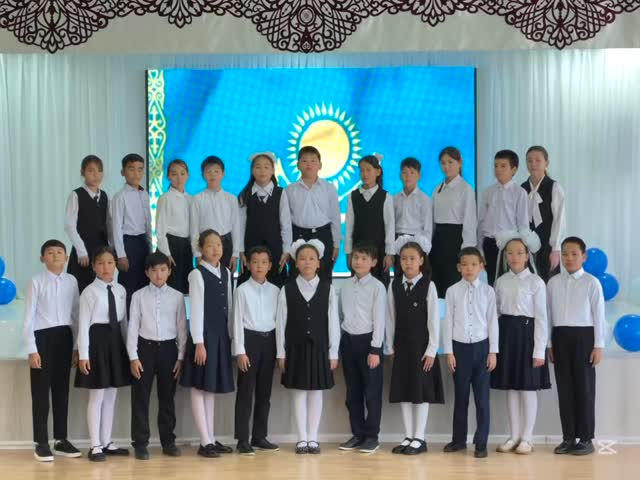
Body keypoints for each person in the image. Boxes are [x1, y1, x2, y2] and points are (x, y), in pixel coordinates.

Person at [276, 239, 340, 454]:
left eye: (312, 258)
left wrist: (333, 352)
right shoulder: (287, 289)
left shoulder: (328, 289)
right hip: (295, 347)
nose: (307, 262)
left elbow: (333, 322)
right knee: (298, 393)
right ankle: (301, 438)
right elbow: (281, 323)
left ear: (319, 263)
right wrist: (281, 352)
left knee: (316, 392)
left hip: (320, 347)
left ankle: (313, 437)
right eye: (302, 258)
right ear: (296, 263)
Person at [492, 236, 550, 455]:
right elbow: (495, 313)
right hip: (506, 335)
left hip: (528, 336)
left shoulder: (536, 282)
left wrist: (539, 350)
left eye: (519, 252)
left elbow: (542, 318)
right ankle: (514, 435)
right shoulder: (501, 281)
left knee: (527, 387)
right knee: (511, 387)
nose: (514, 256)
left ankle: (527, 437)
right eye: (510, 253)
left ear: (527, 256)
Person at [547, 237, 605, 456]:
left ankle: (586, 438)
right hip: (560, 336)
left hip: (584, 337)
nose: (569, 258)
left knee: (584, 388)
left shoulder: (591, 282)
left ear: (584, 256)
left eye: (574, 254)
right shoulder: (553, 283)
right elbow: (548, 314)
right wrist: (549, 344)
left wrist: (598, 345)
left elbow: (599, 316)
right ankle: (568, 438)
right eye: (565, 254)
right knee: (565, 389)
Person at [24, 239, 81, 461]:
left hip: (64, 337)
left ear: (66, 258)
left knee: (61, 390)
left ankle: (60, 440)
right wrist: (32, 349)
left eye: (59, 252)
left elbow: (76, 314)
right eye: (50, 252)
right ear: (42, 258)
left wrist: (76, 347)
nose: (55, 255)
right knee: (40, 392)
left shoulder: (72, 281)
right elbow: (28, 317)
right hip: (42, 338)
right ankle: (41, 442)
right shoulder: (36, 281)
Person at [179, 230, 234, 458]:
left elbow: (229, 306)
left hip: (220, 336)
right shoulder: (196, 274)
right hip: (203, 337)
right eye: (210, 245)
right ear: (201, 248)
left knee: (210, 388)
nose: (215, 249)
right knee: (199, 387)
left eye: (218, 245)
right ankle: (204, 441)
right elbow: (196, 310)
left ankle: (210, 438)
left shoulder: (226, 272)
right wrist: (199, 342)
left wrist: (230, 337)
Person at [387, 236, 444, 456]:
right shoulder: (394, 285)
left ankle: (420, 437)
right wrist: (390, 347)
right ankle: (409, 435)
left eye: (412, 258)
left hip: (422, 348)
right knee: (404, 390)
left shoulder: (429, 285)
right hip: (401, 346)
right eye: (403, 258)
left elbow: (434, 320)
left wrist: (432, 350)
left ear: (421, 260)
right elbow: (390, 318)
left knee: (420, 391)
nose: (408, 262)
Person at [127, 252, 187, 460]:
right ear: (147, 273)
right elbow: (132, 327)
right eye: (154, 270)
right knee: (140, 398)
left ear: (169, 271)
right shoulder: (138, 296)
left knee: (167, 398)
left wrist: (180, 357)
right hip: (144, 349)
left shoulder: (177, 297)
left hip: (169, 350)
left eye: (163, 269)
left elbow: (182, 328)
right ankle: (140, 444)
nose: (158, 274)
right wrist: (133, 357)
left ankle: (168, 442)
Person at [74, 246, 131, 461]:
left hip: (115, 343)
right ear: (93, 266)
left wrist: (128, 350)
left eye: (110, 262)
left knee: (111, 395)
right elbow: (83, 325)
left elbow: (124, 322)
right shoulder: (89, 292)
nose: (106, 267)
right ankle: (95, 445)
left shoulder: (121, 289)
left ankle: (107, 441)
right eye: (100, 263)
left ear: (115, 265)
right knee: (97, 395)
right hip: (96, 343)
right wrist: (83, 355)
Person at [442, 247, 498, 458]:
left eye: (474, 264)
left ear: (481, 266)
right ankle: (458, 440)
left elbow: (492, 322)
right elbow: (448, 322)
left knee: (482, 400)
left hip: (482, 349)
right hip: (460, 349)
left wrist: (493, 352)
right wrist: (449, 352)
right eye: (464, 264)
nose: (469, 268)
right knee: (461, 398)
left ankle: (481, 443)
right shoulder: (452, 291)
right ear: (459, 267)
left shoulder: (488, 291)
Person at [337, 243, 386, 454]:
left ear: (373, 262)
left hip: (369, 344)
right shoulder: (345, 286)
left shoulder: (378, 287)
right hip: (349, 342)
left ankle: (372, 437)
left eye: (364, 258)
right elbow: (340, 315)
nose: (358, 261)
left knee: (372, 393)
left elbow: (380, 319)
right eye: (356, 257)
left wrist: (375, 349)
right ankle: (357, 434)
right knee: (352, 393)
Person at [232, 246, 281, 455]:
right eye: (255, 262)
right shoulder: (242, 290)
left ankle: (259, 436)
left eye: (263, 262)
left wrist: (280, 351)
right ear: (248, 265)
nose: (259, 266)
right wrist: (240, 351)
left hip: (269, 342)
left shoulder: (276, 291)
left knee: (264, 392)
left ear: (269, 266)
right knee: (245, 391)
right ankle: (242, 439)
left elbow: (280, 322)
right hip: (249, 342)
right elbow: (236, 321)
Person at [285, 146, 341, 283]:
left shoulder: (329, 188)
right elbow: (285, 220)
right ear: (298, 165)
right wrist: (285, 247)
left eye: (313, 161)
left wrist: (336, 244)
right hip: (297, 235)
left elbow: (335, 217)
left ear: (320, 165)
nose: (309, 164)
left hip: (323, 234)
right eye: (304, 161)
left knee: (324, 275)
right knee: (296, 275)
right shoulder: (289, 190)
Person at [237, 152, 292, 288]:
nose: (262, 170)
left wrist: (286, 250)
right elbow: (240, 226)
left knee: (276, 285)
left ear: (273, 170)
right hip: (251, 248)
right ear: (252, 171)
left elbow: (285, 224)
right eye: (258, 167)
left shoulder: (280, 193)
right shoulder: (245, 194)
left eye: (266, 167)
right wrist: (240, 250)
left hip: (275, 249)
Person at [430, 147, 477, 297]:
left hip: (455, 241)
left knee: (453, 284)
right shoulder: (437, 189)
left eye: (450, 162)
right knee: (436, 283)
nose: (446, 166)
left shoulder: (466, 189)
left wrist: (467, 251)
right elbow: (432, 221)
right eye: (443, 163)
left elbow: (470, 221)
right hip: (438, 241)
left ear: (460, 162)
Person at [478, 150, 529, 286]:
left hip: (509, 245)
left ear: (514, 169)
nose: (498, 169)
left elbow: (523, 224)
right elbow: (482, 221)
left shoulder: (520, 192)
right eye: (496, 166)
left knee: (508, 282)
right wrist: (480, 247)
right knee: (492, 281)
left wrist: (521, 250)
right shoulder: (488, 192)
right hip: (489, 243)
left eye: (503, 166)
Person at [110, 153, 152, 313]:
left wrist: (150, 247)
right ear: (123, 172)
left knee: (144, 284)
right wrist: (121, 254)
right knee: (129, 286)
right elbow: (116, 227)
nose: (136, 173)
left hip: (143, 243)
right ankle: (126, 323)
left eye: (140, 169)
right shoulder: (119, 197)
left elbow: (148, 223)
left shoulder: (144, 194)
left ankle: (142, 320)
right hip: (128, 244)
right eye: (131, 169)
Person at [345, 155, 395, 286]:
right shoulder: (353, 196)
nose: (364, 174)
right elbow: (349, 226)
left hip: (379, 251)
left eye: (368, 170)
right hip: (358, 251)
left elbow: (390, 226)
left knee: (380, 286)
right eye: (362, 170)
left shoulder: (385, 196)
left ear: (378, 172)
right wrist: (349, 252)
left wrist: (389, 253)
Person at [65, 155, 109, 292]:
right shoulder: (76, 195)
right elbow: (69, 225)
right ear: (82, 172)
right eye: (91, 170)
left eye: (99, 171)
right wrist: (81, 250)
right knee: (81, 287)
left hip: (101, 248)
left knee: (101, 286)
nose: (96, 175)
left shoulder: (104, 196)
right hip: (83, 250)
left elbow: (108, 224)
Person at [521, 146, 566, 282]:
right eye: (529, 161)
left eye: (537, 160)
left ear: (546, 162)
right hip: (526, 245)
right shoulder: (522, 189)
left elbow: (559, 219)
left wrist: (556, 248)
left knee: (549, 283)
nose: (533, 164)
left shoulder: (554, 187)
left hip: (548, 245)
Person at [190, 156, 241, 273]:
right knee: (206, 278)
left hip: (226, 244)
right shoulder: (197, 199)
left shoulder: (231, 198)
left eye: (216, 171)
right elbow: (194, 228)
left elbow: (236, 227)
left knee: (226, 277)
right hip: (205, 245)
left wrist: (235, 253)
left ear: (223, 174)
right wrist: (197, 253)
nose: (212, 174)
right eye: (208, 171)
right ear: (203, 175)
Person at [156, 159, 193, 293]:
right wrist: (166, 253)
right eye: (174, 174)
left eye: (182, 173)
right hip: (171, 245)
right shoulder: (165, 198)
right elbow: (160, 229)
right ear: (168, 176)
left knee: (186, 286)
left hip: (186, 246)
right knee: (172, 286)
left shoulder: (191, 199)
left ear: (187, 175)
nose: (179, 178)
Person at [393, 157, 432, 276]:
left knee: (416, 278)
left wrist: (424, 251)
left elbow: (428, 228)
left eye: (412, 172)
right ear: (400, 175)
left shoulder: (424, 199)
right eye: (404, 172)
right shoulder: (394, 199)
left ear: (419, 175)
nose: (408, 176)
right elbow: (391, 225)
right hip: (398, 242)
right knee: (399, 277)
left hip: (417, 243)